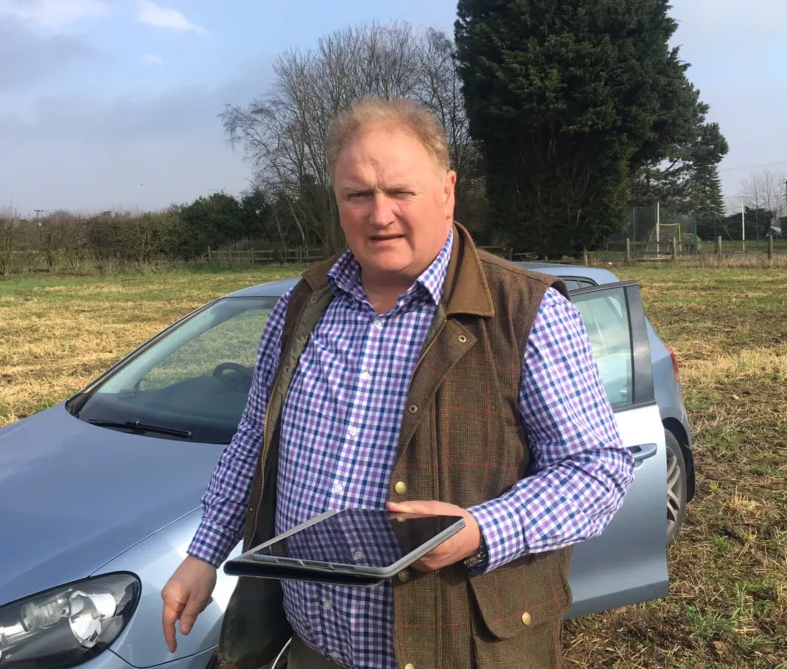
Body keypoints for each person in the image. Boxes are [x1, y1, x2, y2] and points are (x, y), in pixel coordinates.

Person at [161, 97, 635, 669]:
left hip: (456, 651)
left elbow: (597, 471)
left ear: (447, 190)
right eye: (357, 194)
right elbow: (253, 446)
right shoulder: (304, 305)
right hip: (311, 648)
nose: (378, 214)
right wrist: (204, 553)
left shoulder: (526, 311)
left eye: (400, 192)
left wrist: (482, 529)